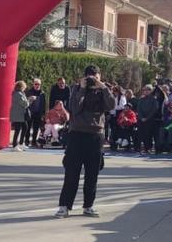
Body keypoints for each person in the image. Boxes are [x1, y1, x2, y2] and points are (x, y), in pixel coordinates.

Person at [56, 64, 114, 218]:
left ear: (100, 76)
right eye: (90, 76)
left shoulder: (103, 89)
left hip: (96, 135)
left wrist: (103, 87)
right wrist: (82, 88)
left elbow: (112, 106)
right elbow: (74, 108)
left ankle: (88, 205)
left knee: (92, 173)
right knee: (71, 172)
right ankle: (64, 206)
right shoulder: (76, 88)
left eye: (95, 76)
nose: (92, 79)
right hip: (77, 134)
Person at [133, 85, 159, 155]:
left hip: (150, 120)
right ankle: (141, 148)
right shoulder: (141, 99)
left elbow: (154, 109)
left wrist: (147, 118)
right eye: (145, 90)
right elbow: (138, 109)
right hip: (141, 120)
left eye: (148, 90)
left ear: (151, 91)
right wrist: (141, 117)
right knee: (141, 134)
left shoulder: (154, 99)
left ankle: (148, 148)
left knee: (148, 134)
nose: (146, 91)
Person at [26, 78, 47, 147]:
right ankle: (26, 141)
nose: (37, 85)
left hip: (38, 113)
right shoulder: (29, 92)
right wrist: (30, 99)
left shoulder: (42, 93)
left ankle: (34, 142)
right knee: (28, 128)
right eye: (36, 84)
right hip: (30, 112)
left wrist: (43, 114)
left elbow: (44, 104)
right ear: (33, 84)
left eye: (39, 84)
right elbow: (25, 102)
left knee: (36, 128)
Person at [9, 81, 30, 150]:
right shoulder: (18, 94)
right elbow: (25, 104)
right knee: (18, 129)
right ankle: (15, 145)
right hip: (18, 114)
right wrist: (30, 100)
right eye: (24, 87)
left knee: (25, 127)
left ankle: (21, 143)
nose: (25, 88)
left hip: (20, 114)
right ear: (21, 87)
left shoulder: (19, 93)